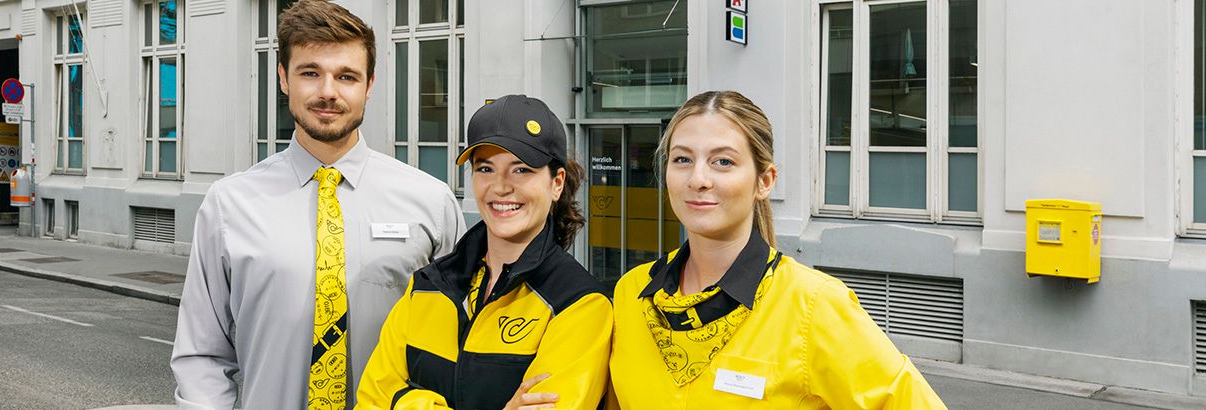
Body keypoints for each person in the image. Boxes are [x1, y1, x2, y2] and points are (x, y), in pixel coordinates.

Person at [170, 1, 466, 408]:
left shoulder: (431, 204)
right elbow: (202, 353)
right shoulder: (229, 206)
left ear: (369, 84)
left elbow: (460, 343)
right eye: (310, 73)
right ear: (283, 78)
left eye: (346, 76)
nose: (328, 92)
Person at [607, 91, 946, 409]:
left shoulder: (813, 305)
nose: (697, 178)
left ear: (764, 181)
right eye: (682, 159)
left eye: (722, 162)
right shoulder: (631, 294)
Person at [357, 95, 612, 410]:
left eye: (521, 170)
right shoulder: (428, 285)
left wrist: (407, 399)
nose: (501, 186)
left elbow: (387, 397)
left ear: (556, 183)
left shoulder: (579, 305)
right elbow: (370, 398)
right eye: (486, 168)